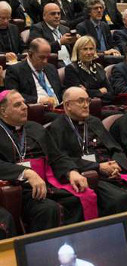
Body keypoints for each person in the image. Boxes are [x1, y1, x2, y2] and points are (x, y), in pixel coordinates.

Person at [49, 87, 127, 215]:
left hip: (115, 172)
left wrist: (117, 165)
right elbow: (63, 160)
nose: (86, 105)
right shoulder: (57, 127)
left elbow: (117, 149)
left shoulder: (94, 121)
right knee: (120, 199)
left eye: (88, 100)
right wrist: (98, 167)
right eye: (81, 101)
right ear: (68, 105)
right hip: (93, 176)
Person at [0, 90, 90, 232]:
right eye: (18, 105)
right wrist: (26, 172)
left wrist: (71, 171)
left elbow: (57, 156)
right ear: (3, 111)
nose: (25, 107)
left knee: (78, 198)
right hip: (20, 191)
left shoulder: (35, 128)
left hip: (47, 184)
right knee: (48, 209)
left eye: (24, 102)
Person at [5, 38, 62, 107]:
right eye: (41, 57)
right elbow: (13, 96)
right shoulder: (15, 70)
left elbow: (60, 89)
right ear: (30, 54)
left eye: (47, 57)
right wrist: (39, 100)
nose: (45, 61)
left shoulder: (51, 68)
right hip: (39, 109)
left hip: (59, 107)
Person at [63, 36, 115, 104]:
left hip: (104, 104)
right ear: (77, 51)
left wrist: (89, 91)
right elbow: (79, 96)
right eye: (85, 49)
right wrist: (100, 91)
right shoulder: (71, 69)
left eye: (91, 49)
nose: (89, 52)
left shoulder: (98, 67)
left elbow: (111, 93)